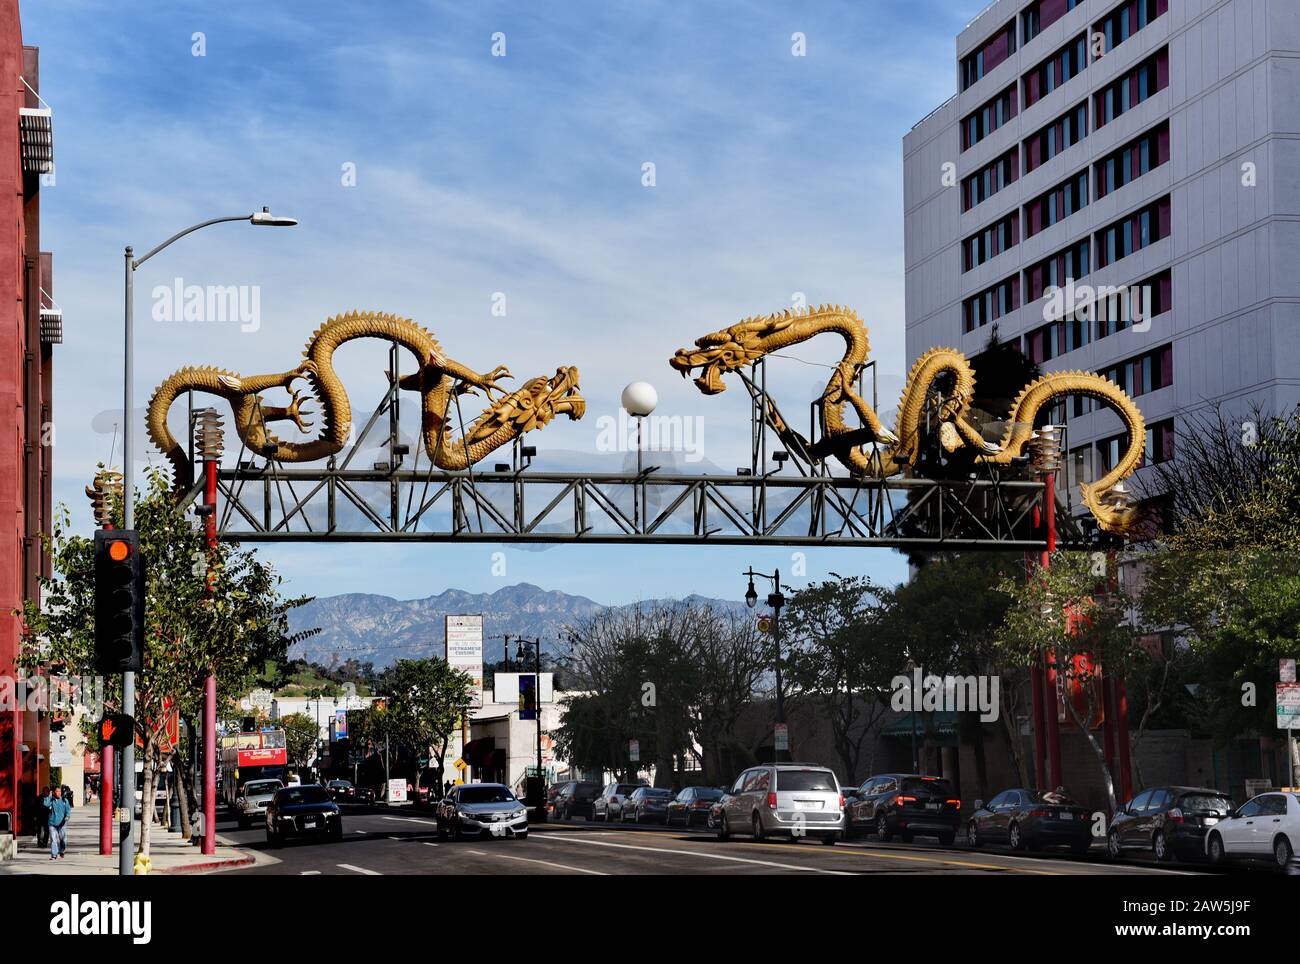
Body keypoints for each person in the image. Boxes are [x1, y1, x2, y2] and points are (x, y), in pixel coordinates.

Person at [44, 785, 71, 860]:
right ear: (53, 792)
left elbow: (68, 810)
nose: (59, 793)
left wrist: (67, 816)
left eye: (60, 791)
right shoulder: (51, 800)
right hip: (52, 823)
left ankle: (62, 851)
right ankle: (54, 855)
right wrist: (49, 796)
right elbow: (45, 804)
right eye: (57, 791)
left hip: (62, 823)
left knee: (63, 839)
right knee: (53, 839)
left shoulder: (64, 800)